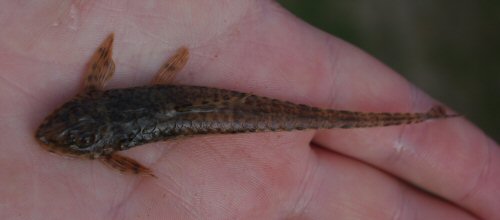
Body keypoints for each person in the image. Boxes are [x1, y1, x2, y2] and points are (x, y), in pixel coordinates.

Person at [1, 1, 498, 219]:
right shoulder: (98, 110)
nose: (51, 132)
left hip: (192, 105)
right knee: (289, 115)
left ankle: (415, 117)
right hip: (188, 105)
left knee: (293, 114)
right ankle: (414, 117)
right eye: (77, 139)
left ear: (88, 95)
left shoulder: (108, 148)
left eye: (72, 131)